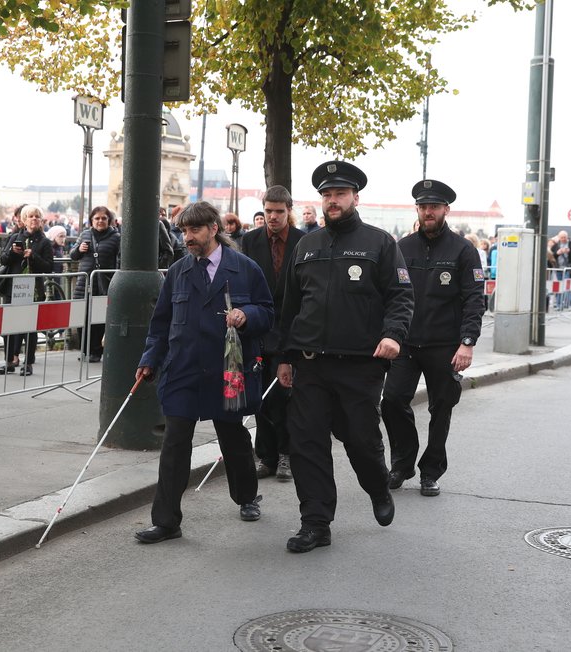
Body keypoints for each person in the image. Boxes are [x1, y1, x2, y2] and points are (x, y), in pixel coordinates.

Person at [276, 161, 414, 553]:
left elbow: (401, 297)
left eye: (339, 194)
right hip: (311, 364)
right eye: (326, 195)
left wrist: (392, 336)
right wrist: (284, 357)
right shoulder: (306, 246)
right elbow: (290, 306)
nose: (332, 201)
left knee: (360, 440)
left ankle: (377, 487)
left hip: (361, 364)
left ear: (355, 198)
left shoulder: (380, 243)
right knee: (306, 443)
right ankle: (316, 523)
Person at [134, 201, 273, 544]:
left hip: (227, 369)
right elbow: (161, 323)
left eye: (194, 230)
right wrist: (150, 358)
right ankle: (166, 521)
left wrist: (246, 316)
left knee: (233, 436)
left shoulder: (245, 268)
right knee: (175, 443)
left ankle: (246, 496)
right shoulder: (179, 271)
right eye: (183, 231)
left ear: (214, 229)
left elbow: (268, 312)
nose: (188, 237)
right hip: (182, 369)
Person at [380, 180, 485, 498]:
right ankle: (402, 462)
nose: (428, 211)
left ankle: (430, 472)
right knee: (392, 402)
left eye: (434, 207)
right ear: (418, 210)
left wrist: (467, 342)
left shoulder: (464, 250)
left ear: (445, 210)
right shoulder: (402, 248)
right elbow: (388, 294)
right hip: (407, 344)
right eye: (423, 206)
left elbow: (474, 299)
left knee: (442, 406)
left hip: (445, 345)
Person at [240, 185, 303, 482]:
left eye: (279, 211)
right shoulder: (250, 240)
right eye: (268, 211)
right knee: (258, 396)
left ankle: (287, 454)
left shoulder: (304, 241)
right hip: (258, 327)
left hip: (291, 329)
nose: (273, 217)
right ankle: (265, 455)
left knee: (282, 395)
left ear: (289, 211)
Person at [0, 205, 53, 376]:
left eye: (37, 216)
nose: (34, 219)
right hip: (12, 288)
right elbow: (3, 260)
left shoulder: (44, 242)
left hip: (33, 290)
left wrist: (33, 256)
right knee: (9, 326)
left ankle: (28, 362)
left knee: (29, 327)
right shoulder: (14, 237)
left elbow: (49, 267)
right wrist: (13, 252)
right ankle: (9, 361)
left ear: (41, 221)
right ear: (24, 220)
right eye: (30, 216)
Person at [69, 205, 120, 363]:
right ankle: (85, 350)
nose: (100, 221)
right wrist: (80, 249)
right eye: (97, 218)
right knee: (82, 316)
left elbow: (119, 259)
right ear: (91, 220)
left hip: (104, 282)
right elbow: (73, 255)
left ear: (109, 220)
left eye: (103, 218)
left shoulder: (116, 237)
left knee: (99, 318)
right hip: (85, 283)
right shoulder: (85, 234)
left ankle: (97, 351)